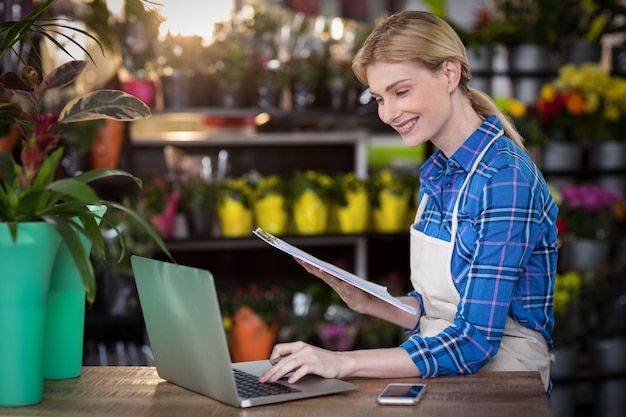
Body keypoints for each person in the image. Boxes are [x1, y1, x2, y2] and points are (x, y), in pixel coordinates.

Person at [259, 10, 558, 392]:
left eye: (401, 92)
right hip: (448, 381)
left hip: (504, 390)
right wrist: (366, 301)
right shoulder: (440, 172)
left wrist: (340, 362)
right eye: (380, 98)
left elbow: (474, 342)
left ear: (449, 74)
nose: (389, 113)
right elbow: (440, 312)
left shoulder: (504, 179)